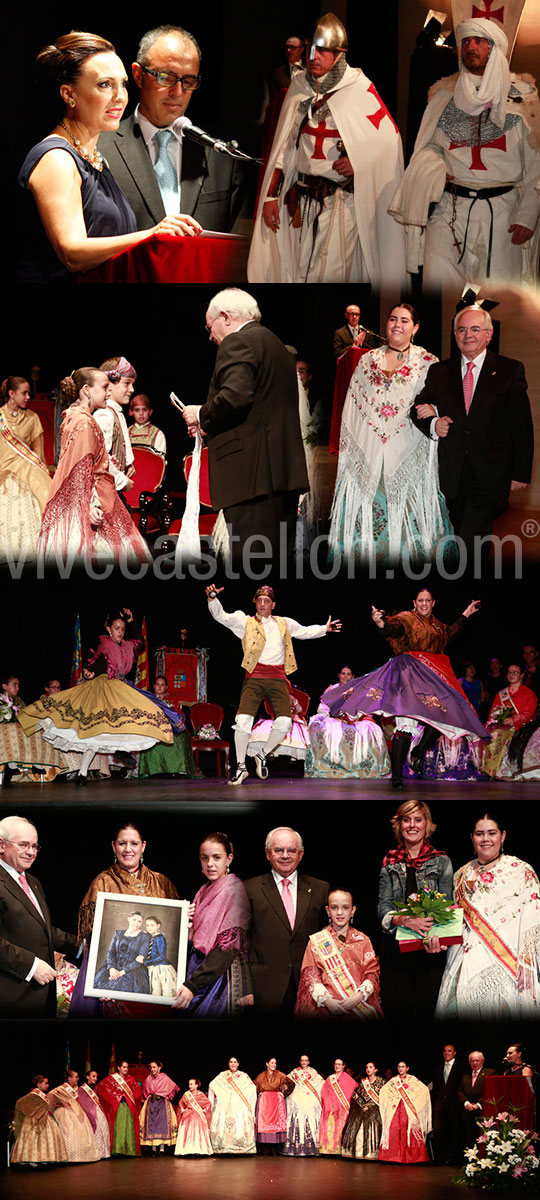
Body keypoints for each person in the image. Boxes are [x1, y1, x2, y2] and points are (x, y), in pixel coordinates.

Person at [17, 31, 201, 282]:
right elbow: (72, 253)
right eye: (105, 84)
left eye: (123, 84)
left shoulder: (96, 158)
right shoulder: (57, 158)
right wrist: (151, 234)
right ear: (68, 95)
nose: (120, 97)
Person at [248, 13, 406, 285]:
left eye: (322, 51)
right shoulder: (299, 87)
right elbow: (284, 147)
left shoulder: (359, 89)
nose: (313, 56)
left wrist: (359, 161)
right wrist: (270, 197)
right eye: (311, 49)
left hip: (340, 201)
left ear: (339, 53)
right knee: (297, 271)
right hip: (299, 198)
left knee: (329, 273)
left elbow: (390, 142)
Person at [389, 18, 540, 289]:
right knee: (439, 285)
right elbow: (429, 147)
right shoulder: (445, 98)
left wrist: (527, 215)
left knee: (497, 295)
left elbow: (537, 163)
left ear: (495, 49)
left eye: (479, 41)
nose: (471, 47)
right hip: (451, 208)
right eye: (466, 42)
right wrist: (433, 168)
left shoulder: (523, 102)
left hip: (502, 212)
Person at [182, 289, 309, 566]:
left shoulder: (238, 341)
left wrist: (200, 414)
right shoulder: (275, 344)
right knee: (276, 563)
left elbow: (234, 397)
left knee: (250, 564)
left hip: (252, 477)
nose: (210, 336)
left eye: (209, 326)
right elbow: (260, 407)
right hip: (281, 474)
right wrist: (211, 426)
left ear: (225, 317)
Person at [329, 303, 452, 567]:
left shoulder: (428, 362)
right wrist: (353, 452)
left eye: (405, 321)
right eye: (393, 319)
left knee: (408, 522)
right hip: (369, 450)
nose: (397, 325)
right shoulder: (367, 360)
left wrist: (434, 409)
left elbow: (439, 403)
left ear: (415, 327)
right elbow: (353, 405)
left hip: (410, 448)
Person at [325, 589, 486, 787]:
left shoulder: (437, 625)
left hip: (431, 676)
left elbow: (451, 633)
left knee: (446, 715)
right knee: (406, 724)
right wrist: (380, 622)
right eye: (421, 600)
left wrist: (467, 612)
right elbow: (393, 629)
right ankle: (397, 776)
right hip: (408, 674)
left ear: (433, 602)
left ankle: (418, 752)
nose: (424, 604)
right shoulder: (407, 618)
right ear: (415, 602)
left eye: (428, 600)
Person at [98, 25, 247, 233]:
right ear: (139, 75)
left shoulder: (221, 155)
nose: (178, 92)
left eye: (188, 81)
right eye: (166, 77)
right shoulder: (100, 149)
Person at [412, 306, 533, 554]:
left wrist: (520, 472)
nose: (468, 335)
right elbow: (418, 408)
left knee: (471, 540)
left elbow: (521, 426)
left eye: (475, 329)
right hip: (451, 475)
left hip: (490, 475)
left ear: (489, 334)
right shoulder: (440, 371)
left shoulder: (510, 371)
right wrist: (434, 423)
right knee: (456, 537)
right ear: (455, 335)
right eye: (462, 329)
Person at [19, 608, 174, 785]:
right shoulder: (106, 645)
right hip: (104, 689)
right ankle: (91, 769)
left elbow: (140, 643)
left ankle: (99, 763)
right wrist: (90, 672)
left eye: (122, 629)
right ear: (109, 629)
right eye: (117, 628)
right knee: (94, 731)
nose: (120, 632)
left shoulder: (127, 646)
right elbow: (100, 661)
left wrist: (131, 622)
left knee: (124, 721)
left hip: (121, 688)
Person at [206, 584, 340, 785]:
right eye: (259, 601)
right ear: (255, 604)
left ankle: (262, 754)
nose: (262, 604)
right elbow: (221, 616)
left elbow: (304, 631)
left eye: (266, 601)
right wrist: (212, 599)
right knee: (242, 722)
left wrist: (324, 629)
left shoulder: (284, 623)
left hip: (278, 677)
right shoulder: (245, 622)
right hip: (254, 676)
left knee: (285, 723)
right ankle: (241, 767)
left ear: (273, 604)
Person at [35, 369, 151, 567]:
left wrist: (105, 461)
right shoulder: (84, 422)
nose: (108, 392)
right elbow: (77, 470)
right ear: (87, 390)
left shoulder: (74, 416)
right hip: (94, 500)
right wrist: (87, 507)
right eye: (105, 387)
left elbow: (86, 461)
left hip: (94, 494)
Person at [436, 811, 540, 1018]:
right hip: (461, 958)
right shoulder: (460, 875)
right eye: (479, 834)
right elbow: (452, 919)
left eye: (491, 833)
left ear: (503, 836)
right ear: (472, 838)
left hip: (505, 959)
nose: (485, 839)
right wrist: (438, 939)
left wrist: (528, 961)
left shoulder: (520, 871)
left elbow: (533, 916)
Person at [70, 821, 178, 1016]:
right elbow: (90, 937)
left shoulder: (161, 882)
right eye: (122, 844)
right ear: (113, 846)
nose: (128, 849)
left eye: (134, 844)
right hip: (114, 968)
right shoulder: (102, 881)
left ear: (143, 846)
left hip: (146, 969)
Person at [378, 800, 454, 1021]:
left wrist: (437, 939)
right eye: (406, 819)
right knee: (396, 1013)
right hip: (395, 950)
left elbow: (447, 906)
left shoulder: (441, 862)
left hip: (430, 952)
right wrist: (402, 920)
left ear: (427, 825)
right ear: (399, 825)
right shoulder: (389, 861)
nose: (412, 825)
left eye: (418, 819)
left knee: (428, 1013)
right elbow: (383, 906)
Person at [244, 826, 329, 1013]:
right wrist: (245, 987)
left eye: (291, 850)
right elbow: (241, 943)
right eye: (278, 850)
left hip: (310, 989)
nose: (285, 855)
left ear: (300, 854)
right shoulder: (248, 889)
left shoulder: (320, 889)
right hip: (264, 990)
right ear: (268, 853)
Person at [0, 815, 78, 1017]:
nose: (31, 852)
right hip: (10, 999)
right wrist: (31, 965)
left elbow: (41, 930)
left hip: (40, 999)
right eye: (24, 845)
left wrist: (84, 948)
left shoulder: (32, 882)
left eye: (35, 846)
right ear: (1, 845)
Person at [172, 832, 251, 1015]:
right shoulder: (202, 891)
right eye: (204, 858)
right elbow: (197, 938)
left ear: (229, 859)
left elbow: (226, 948)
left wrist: (193, 984)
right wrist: (187, 924)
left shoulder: (235, 891)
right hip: (198, 969)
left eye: (217, 858)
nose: (210, 864)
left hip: (218, 977)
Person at [295, 888, 383, 1019]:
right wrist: (328, 1001)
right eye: (334, 907)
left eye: (345, 907)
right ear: (327, 910)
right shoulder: (316, 941)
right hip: (325, 1008)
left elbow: (372, 974)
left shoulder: (363, 940)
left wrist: (356, 999)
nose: (340, 912)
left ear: (353, 910)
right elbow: (310, 975)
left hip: (359, 1007)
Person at [306, 665, 390, 780]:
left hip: (355, 719)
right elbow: (323, 707)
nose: (345, 676)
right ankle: (328, 766)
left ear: (353, 676)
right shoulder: (332, 689)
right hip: (336, 718)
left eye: (348, 674)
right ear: (339, 675)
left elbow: (363, 706)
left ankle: (364, 767)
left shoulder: (358, 689)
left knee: (369, 729)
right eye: (343, 673)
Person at [0, 376, 51, 562]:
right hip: (2, 471)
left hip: (28, 471)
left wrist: (43, 474)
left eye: (29, 392)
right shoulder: (0, 417)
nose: (28, 397)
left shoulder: (32, 418)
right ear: (12, 394)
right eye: (24, 393)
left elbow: (38, 455)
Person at [480, 664, 537, 778]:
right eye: (510, 672)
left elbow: (528, 714)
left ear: (522, 675)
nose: (512, 675)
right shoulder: (501, 694)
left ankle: (493, 770)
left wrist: (513, 719)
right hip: (501, 724)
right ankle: (483, 768)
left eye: (515, 672)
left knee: (497, 734)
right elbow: (493, 713)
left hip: (520, 726)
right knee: (485, 733)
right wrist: (495, 721)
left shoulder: (529, 694)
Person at [139, 676, 199, 780]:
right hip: (154, 727)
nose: (159, 687)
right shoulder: (148, 699)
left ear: (166, 687)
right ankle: (151, 770)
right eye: (157, 684)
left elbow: (179, 715)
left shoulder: (172, 700)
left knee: (181, 736)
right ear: (154, 686)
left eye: (162, 685)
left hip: (171, 727)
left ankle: (180, 768)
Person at [94, 356, 136, 497]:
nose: (132, 389)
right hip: (105, 493)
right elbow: (100, 458)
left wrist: (128, 463)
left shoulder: (115, 413)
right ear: (109, 386)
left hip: (112, 490)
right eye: (127, 383)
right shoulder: (105, 415)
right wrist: (122, 481)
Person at [379, 1062, 431, 1164]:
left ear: (407, 1068)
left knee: (410, 1131)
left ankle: (413, 1158)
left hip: (409, 1111)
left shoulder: (412, 1080)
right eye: (399, 1067)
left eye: (403, 1067)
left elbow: (424, 1090)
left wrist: (414, 1102)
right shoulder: (394, 1081)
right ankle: (393, 1157)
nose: (401, 1069)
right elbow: (384, 1090)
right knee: (394, 1130)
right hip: (396, 1110)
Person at [11, 1075, 68, 1167]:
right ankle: (30, 1159)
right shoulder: (33, 1094)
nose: (48, 1085)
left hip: (44, 1118)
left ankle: (43, 1158)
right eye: (45, 1083)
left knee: (44, 1139)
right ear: (38, 1084)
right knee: (33, 1139)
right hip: (34, 1120)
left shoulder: (41, 1094)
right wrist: (34, 1112)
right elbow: (20, 1102)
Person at [93, 909, 151, 993]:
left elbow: (140, 960)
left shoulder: (145, 937)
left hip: (132, 971)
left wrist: (121, 973)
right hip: (113, 968)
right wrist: (111, 968)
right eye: (134, 920)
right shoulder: (118, 933)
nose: (136, 923)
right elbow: (111, 952)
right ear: (129, 919)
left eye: (139, 921)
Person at [208, 1056, 257, 1155]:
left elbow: (252, 1088)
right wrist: (222, 1096)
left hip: (239, 1106)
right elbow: (212, 1085)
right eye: (231, 1062)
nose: (233, 1064)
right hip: (225, 1105)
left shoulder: (243, 1075)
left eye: (235, 1062)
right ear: (228, 1064)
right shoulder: (223, 1075)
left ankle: (241, 1147)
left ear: (238, 1064)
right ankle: (222, 1147)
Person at [49, 1071, 100, 1162]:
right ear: (69, 1078)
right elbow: (50, 1094)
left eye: (77, 1077)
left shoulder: (76, 1088)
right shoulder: (62, 1087)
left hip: (77, 1111)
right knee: (68, 1131)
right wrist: (58, 1103)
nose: (77, 1079)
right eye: (75, 1077)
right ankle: (67, 1156)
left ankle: (81, 1156)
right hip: (65, 1113)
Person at [96, 1060, 142, 1156]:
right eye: (124, 1067)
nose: (126, 1069)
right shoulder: (112, 1079)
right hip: (118, 1107)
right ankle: (118, 1149)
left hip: (129, 1107)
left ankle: (129, 1150)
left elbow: (137, 1091)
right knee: (119, 1127)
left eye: (127, 1067)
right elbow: (102, 1087)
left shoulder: (131, 1079)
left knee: (129, 1127)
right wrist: (117, 1096)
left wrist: (130, 1096)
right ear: (118, 1068)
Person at [341, 1062, 384, 1160]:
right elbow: (355, 1096)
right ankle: (358, 1152)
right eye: (367, 1067)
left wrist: (369, 1106)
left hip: (375, 1108)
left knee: (372, 1119)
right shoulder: (363, 1081)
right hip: (362, 1108)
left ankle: (371, 1153)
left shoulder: (381, 1082)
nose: (368, 1069)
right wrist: (363, 1105)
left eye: (371, 1067)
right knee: (356, 1121)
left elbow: (383, 1098)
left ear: (376, 1070)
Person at [283, 1054, 324, 1157]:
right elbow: (286, 1082)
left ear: (309, 1062)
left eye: (306, 1060)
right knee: (296, 1122)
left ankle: (311, 1149)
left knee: (310, 1123)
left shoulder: (313, 1072)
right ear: (300, 1062)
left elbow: (320, 1083)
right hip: (297, 1101)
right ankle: (295, 1148)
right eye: (302, 1060)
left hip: (309, 1100)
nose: (304, 1062)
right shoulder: (295, 1072)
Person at [430, 1044, 465, 1165]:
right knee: (439, 1132)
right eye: (444, 1051)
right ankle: (439, 1158)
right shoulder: (438, 1068)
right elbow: (435, 1089)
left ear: (455, 1053)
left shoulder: (461, 1067)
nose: (446, 1053)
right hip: (439, 1106)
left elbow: (462, 1086)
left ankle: (452, 1158)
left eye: (449, 1051)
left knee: (454, 1132)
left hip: (455, 1105)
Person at [253, 1058, 293, 1155]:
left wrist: (283, 1093)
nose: (274, 1065)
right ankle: (265, 1149)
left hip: (275, 1101)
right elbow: (253, 1086)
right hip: (265, 1102)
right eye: (272, 1063)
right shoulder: (261, 1075)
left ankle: (274, 1149)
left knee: (275, 1125)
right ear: (267, 1064)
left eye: (275, 1063)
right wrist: (259, 1093)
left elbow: (291, 1084)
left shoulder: (280, 1075)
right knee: (264, 1125)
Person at [140, 1060, 180, 1153]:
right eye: (151, 1067)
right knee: (151, 1125)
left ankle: (162, 1149)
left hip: (162, 1103)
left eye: (154, 1067)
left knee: (162, 1125)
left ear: (159, 1068)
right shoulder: (148, 1078)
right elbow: (145, 1091)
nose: (152, 1069)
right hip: (151, 1103)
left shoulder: (164, 1078)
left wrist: (163, 1095)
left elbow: (171, 1088)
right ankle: (153, 1148)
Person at [319, 1059, 357, 1155]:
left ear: (344, 1066)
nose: (337, 1066)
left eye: (339, 1064)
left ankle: (338, 1150)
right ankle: (326, 1150)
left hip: (341, 1109)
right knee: (328, 1128)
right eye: (336, 1064)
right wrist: (329, 1103)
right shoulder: (330, 1078)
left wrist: (340, 1103)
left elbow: (352, 1092)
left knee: (340, 1129)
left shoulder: (348, 1079)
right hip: (329, 1108)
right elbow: (324, 1092)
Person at [457, 1051, 494, 1148]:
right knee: (468, 1139)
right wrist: (466, 1103)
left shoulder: (490, 1073)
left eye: (477, 1061)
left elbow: (490, 1091)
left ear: (482, 1061)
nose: (475, 1063)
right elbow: (459, 1090)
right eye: (472, 1061)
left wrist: (478, 1104)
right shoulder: (465, 1075)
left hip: (482, 1111)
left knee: (481, 1138)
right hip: (467, 1112)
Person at [78, 1070, 111, 1158]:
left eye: (96, 1077)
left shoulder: (96, 1087)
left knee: (103, 1128)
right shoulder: (82, 1089)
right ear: (87, 1077)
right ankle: (94, 1153)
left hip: (98, 1110)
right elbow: (83, 1103)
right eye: (93, 1076)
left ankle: (103, 1153)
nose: (95, 1079)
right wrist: (91, 1112)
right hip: (90, 1113)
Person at [174, 1078, 213, 1156]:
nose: (190, 1086)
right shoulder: (186, 1094)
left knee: (197, 1128)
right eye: (189, 1084)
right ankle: (186, 1150)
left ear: (196, 1085)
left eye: (192, 1084)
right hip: (187, 1116)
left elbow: (208, 1104)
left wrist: (203, 1111)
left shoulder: (200, 1094)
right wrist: (183, 1110)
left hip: (198, 1116)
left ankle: (198, 1149)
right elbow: (180, 1104)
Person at [144, 917, 177, 996]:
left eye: (152, 925)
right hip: (152, 968)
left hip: (161, 968)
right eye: (147, 925)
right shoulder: (150, 937)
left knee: (162, 991)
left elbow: (162, 957)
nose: (149, 927)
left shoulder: (160, 938)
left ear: (158, 926)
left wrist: (146, 962)